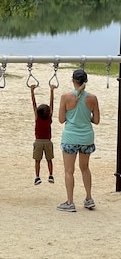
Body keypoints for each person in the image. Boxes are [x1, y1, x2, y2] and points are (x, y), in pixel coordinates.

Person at [57, 69, 100, 212]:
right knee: (85, 168)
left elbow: (61, 119)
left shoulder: (66, 97)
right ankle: (89, 198)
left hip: (70, 137)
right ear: (85, 81)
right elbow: (97, 120)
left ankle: (70, 201)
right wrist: (86, 117)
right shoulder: (92, 98)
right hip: (87, 137)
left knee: (69, 170)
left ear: (73, 80)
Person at [30, 83, 57, 185]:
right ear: (49, 112)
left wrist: (32, 91)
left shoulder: (37, 118)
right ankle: (50, 175)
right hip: (48, 142)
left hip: (38, 142)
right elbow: (52, 103)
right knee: (49, 160)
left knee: (37, 160)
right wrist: (51, 90)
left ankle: (37, 177)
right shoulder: (49, 118)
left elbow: (33, 103)